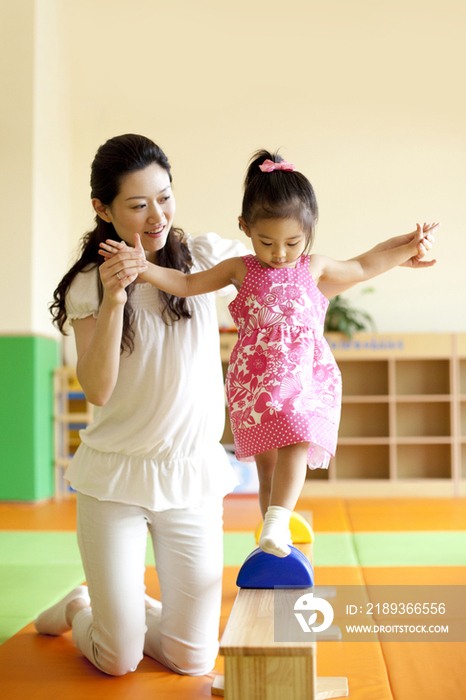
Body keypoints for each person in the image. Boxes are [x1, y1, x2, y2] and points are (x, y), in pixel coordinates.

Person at [99, 149, 438, 559]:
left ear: (309, 231)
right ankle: (270, 533)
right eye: (266, 242)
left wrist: (410, 246)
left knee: (297, 435)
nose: (279, 253)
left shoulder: (315, 268)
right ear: (244, 227)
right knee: (267, 464)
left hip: (302, 376)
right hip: (257, 378)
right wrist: (143, 267)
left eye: (293, 242)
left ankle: (278, 518)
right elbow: (186, 284)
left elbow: (365, 264)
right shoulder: (239, 269)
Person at [35, 134, 248, 677]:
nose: (157, 216)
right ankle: (84, 606)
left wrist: (389, 256)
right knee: (118, 658)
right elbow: (99, 390)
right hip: (115, 479)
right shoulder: (89, 284)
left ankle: (120, 612)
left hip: (190, 477)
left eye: (165, 196)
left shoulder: (200, 260)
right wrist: (114, 301)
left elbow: (289, 261)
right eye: (137, 204)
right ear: (102, 210)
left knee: (193, 659)